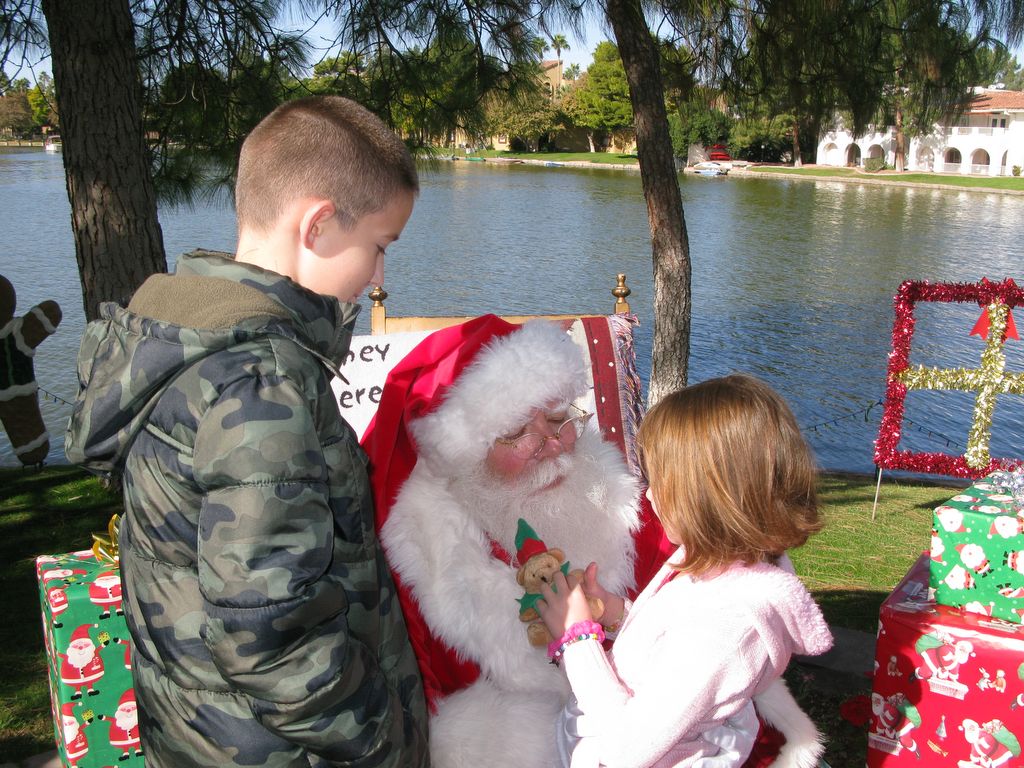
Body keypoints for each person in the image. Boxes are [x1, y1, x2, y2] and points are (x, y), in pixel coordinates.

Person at [64, 96, 429, 768]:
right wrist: (387, 740)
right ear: (318, 223)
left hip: (197, 735)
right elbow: (272, 635)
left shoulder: (185, 339)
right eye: (379, 247)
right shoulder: (261, 383)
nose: (379, 277)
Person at [363, 318, 813, 768]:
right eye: (517, 432)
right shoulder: (422, 556)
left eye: (560, 419)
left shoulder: (637, 509)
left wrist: (580, 635)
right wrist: (616, 618)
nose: (555, 445)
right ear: (466, 451)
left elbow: (698, 645)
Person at [536, 374, 834, 768]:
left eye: (661, 482)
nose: (650, 494)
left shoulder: (726, 627)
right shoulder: (721, 561)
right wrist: (615, 614)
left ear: (707, 500)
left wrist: (576, 641)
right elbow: (674, 642)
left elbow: (627, 750)